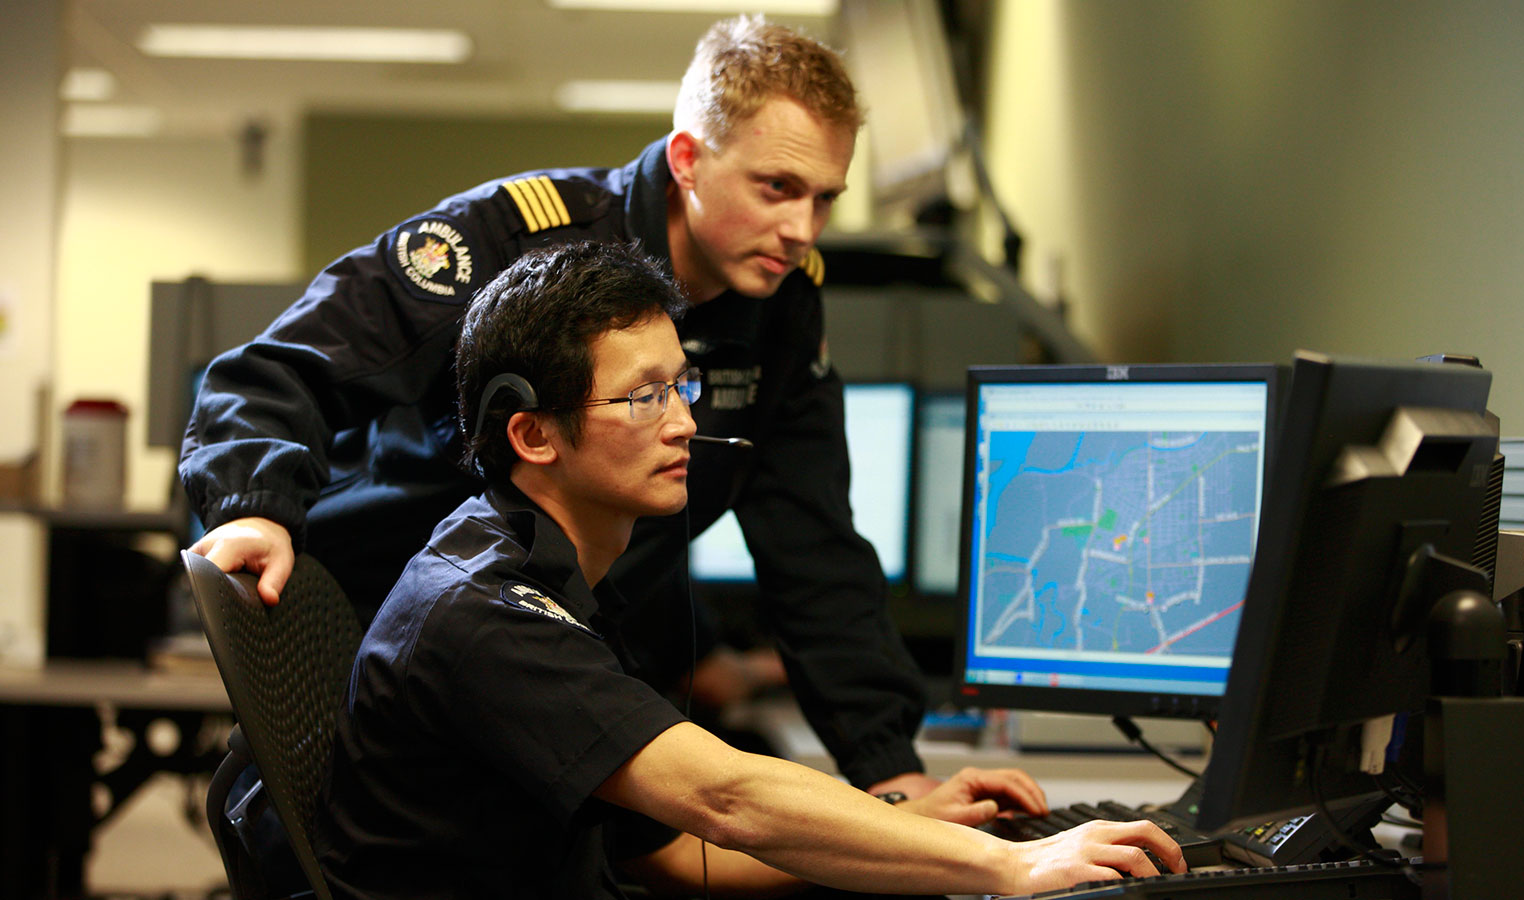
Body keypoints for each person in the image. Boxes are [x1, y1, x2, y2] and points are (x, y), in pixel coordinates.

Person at [184, 14, 931, 799]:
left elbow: (817, 552)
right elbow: (270, 374)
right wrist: (254, 508)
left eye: (824, 200)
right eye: (776, 188)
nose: (800, 230)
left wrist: (892, 769)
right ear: (687, 160)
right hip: (397, 633)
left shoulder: (779, 304)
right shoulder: (521, 242)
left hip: (557, 653)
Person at [316, 241, 1185, 899]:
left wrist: (901, 822)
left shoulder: (543, 570)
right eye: (642, 396)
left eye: (682, 387)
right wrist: (1012, 863)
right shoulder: (489, 614)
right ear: (533, 434)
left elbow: (666, 853)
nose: (684, 423)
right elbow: (724, 800)